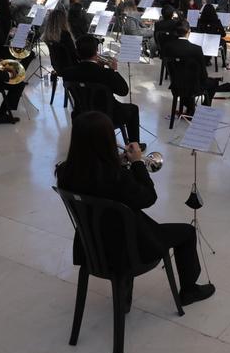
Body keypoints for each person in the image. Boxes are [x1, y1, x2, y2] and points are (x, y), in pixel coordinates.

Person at [55, 111, 214, 305]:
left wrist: (117, 162)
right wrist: (137, 163)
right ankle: (189, 291)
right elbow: (148, 197)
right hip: (128, 249)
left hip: (91, 248)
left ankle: (124, 293)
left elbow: (95, 176)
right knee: (187, 232)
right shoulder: (117, 179)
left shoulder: (64, 172)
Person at [59, 35, 142, 146]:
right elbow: (123, 91)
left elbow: (86, 75)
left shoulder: (68, 72)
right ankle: (134, 147)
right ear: (96, 51)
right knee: (133, 109)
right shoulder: (107, 74)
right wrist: (114, 71)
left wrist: (100, 68)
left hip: (81, 114)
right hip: (107, 116)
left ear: (77, 52)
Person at [160, 19, 217, 116]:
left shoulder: (167, 47)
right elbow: (203, 74)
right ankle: (202, 111)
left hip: (176, 84)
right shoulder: (196, 49)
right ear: (189, 32)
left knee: (186, 79)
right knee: (213, 83)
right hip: (193, 86)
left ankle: (190, 108)